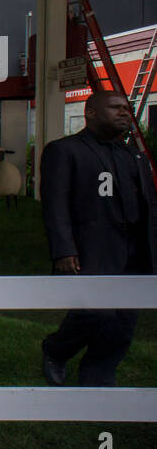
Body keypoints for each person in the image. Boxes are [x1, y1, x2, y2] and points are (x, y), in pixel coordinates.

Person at [40, 91, 157, 386]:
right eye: (115, 107)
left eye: (127, 109)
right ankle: (55, 350)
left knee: (124, 321)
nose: (124, 113)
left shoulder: (135, 155)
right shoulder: (64, 150)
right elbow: (55, 205)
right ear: (90, 112)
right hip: (92, 248)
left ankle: (99, 373)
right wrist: (63, 250)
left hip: (136, 252)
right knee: (96, 312)